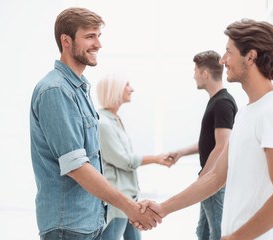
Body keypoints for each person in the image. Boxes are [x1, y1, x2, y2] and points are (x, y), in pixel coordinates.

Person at [137, 19, 273, 240]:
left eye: (228, 52)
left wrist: (233, 238)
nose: (223, 60)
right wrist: (162, 208)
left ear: (250, 56)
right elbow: (215, 177)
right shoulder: (246, 112)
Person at [30, 7, 160, 240]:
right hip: (67, 227)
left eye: (99, 36)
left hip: (89, 221)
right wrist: (130, 207)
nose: (98, 44)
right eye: (90, 36)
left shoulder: (79, 89)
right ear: (66, 40)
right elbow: (77, 167)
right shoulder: (56, 91)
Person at [167, 50, 237, 240]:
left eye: (195, 71)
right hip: (210, 177)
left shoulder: (222, 103)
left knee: (217, 232)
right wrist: (181, 152)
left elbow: (222, 146)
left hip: (215, 180)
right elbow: (209, 142)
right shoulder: (216, 101)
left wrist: (203, 178)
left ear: (205, 74)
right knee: (203, 232)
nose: (194, 76)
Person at [96, 73, 174, 240]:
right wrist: (155, 159)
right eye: (127, 85)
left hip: (129, 197)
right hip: (118, 201)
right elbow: (124, 160)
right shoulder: (104, 124)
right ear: (114, 90)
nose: (132, 89)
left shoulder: (115, 120)